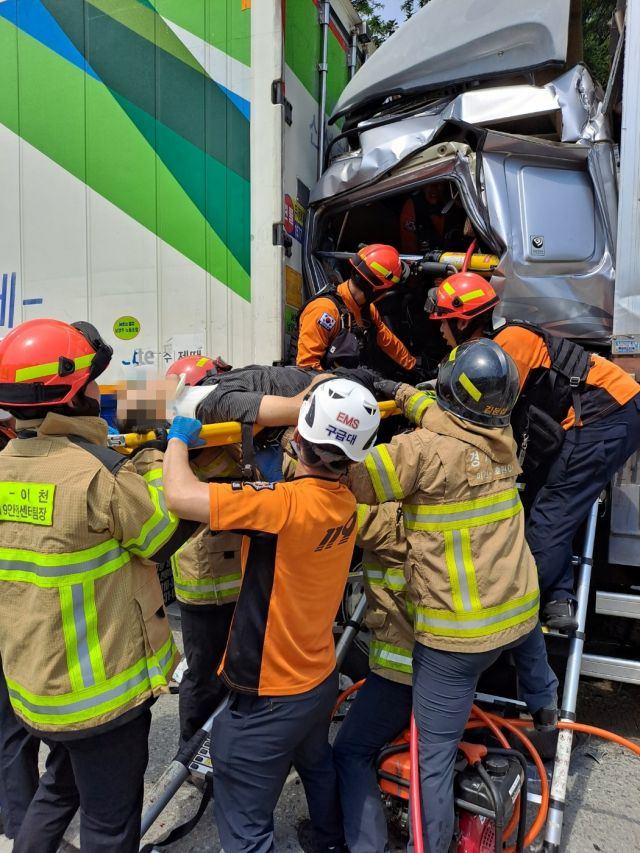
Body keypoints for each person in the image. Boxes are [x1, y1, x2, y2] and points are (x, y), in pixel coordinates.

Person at [349, 339, 558, 853]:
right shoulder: (502, 434)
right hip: (517, 610)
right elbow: (446, 415)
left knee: (433, 757)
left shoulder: (417, 453)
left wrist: (295, 443)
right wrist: (400, 391)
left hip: (457, 640)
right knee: (532, 652)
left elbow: (349, 477)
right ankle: (546, 716)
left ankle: (434, 844)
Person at [162, 378, 381, 853]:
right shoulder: (346, 503)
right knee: (316, 763)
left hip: (269, 696)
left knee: (244, 823)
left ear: (299, 437)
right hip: (318, 677)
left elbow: (179, 496)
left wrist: (177, 435)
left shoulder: (278, 505)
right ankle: (327, 839)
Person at [0, 318, 192, 853]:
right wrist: (157, 454)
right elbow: (160, 532)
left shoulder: (5, 467)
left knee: (58, 791)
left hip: (40, 691)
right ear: (70, 393)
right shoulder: (94, 477)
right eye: (90, 380)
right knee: (110, 827)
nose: (97, 389)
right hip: (102, 699)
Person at [427, 272, 640, 630]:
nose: (440, 331)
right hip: (602, 414)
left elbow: (487, 420)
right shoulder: (498, 346)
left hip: (605, 414)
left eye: (443, 323)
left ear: (462, 321)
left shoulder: (509, 344)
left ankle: (512, 609)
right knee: (543, 497)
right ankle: (560, 601)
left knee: (550, 511)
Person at [165, 356, 244, 747]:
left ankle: (223, 740)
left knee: (235, 668)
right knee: (204, 673)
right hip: (206, 585)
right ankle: (190, 747)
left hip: (238, 579)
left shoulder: (225, 438)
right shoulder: (190, 447)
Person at [332, 501, 414, 853]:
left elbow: (329, 506)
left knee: (349, 750)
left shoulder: (387, 518)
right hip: (457, 660)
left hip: (403, 671)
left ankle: (367, 846)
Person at [292, 244, 417, 374]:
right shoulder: (324, 311)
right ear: (375, 290)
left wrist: (413, 367)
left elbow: (389, 342)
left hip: (350, 377)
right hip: (322, 386)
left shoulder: (367, 310)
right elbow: (307, 368)